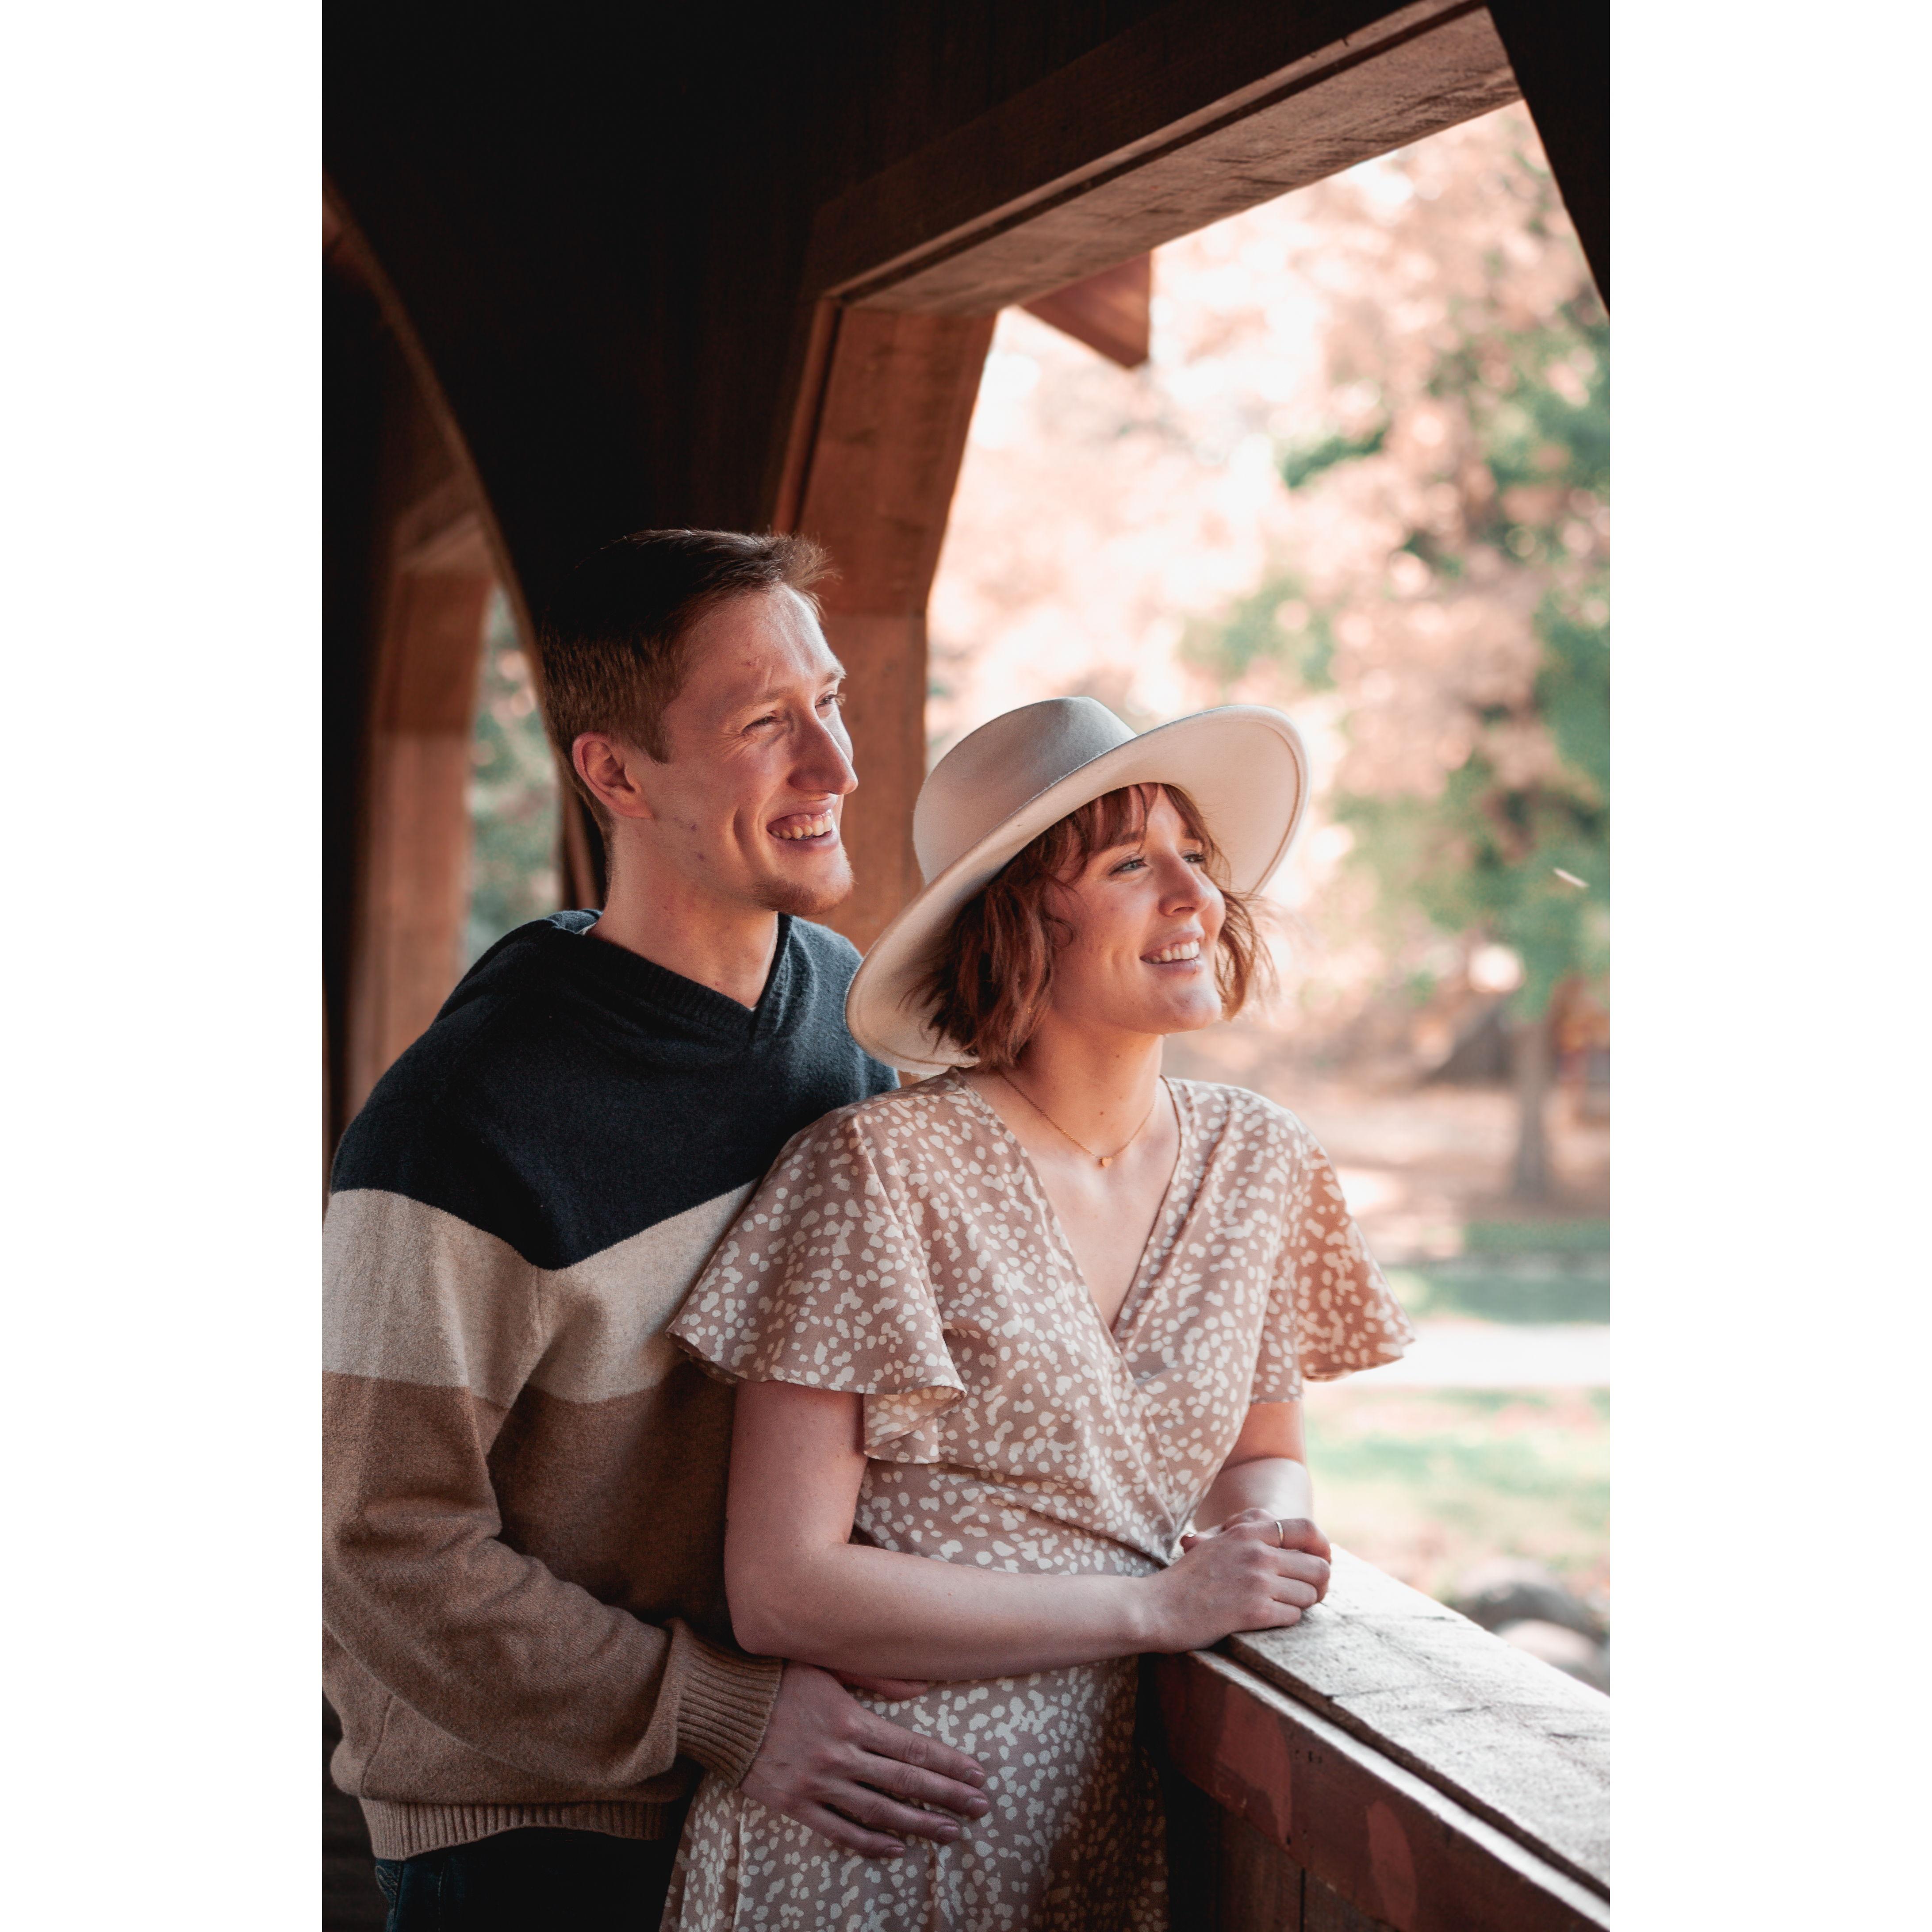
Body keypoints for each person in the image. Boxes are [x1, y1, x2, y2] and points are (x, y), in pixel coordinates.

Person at [323, 530, 990, 1931]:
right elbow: (377, 1544)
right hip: (530, 1839)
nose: (836, 764)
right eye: (765, 724)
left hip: (786, 1798)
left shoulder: (846, 1020)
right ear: (616, 774)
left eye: (831, 701)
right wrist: (722, 1710)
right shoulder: (461, 1123)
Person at [662, 695, 1415, 1930]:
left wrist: (1262, 1546)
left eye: (1195, 855)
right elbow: (782, 1588)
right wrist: (1158, 1609)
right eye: (1130, 866)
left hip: (1109, 1836)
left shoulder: (1262, 1162)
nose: (1196, 895)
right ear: (1017, 921)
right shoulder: (879, 1172)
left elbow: (1259, 1458)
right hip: (874, 1837)